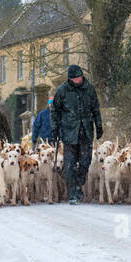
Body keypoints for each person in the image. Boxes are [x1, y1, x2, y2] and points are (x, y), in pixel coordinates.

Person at [50, 65, 102, 204]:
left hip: (85, 130)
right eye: (74, 78)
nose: (77, 80)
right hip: (69, 131)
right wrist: (55, 128)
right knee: (69, 165)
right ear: (70, 78)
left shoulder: (89, 89)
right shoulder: (62, 90)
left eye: (79, 77)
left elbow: (95, 108)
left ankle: (79, 182)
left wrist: (99, 125)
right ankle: (73, 193)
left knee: (86, 162)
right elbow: (54, 111)